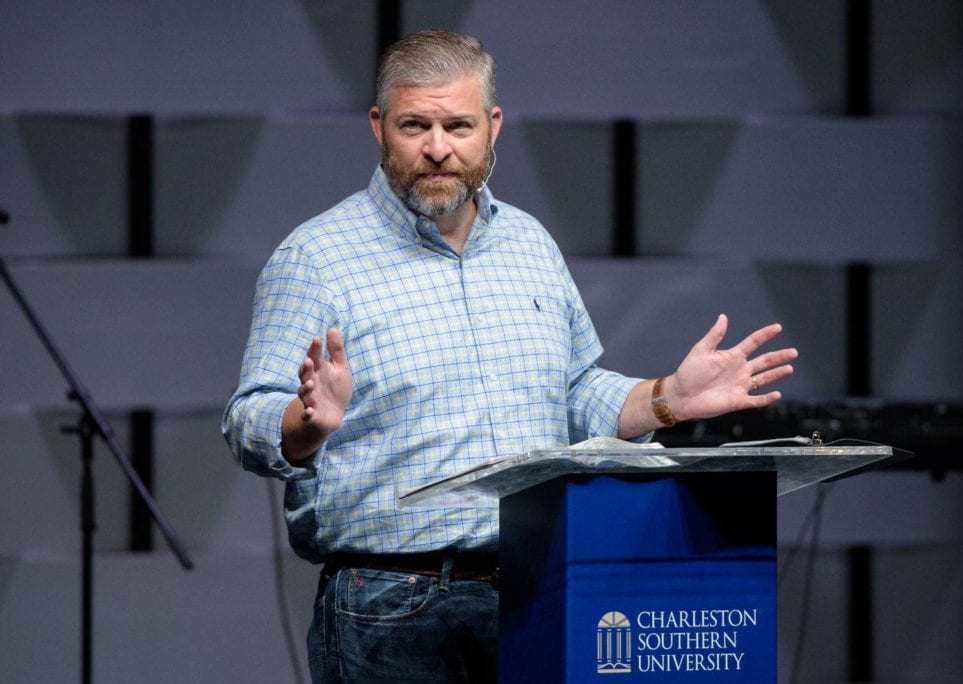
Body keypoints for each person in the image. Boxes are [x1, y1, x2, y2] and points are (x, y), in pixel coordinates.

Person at [222, 29, 798, 683]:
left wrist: (666, 397)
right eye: (415, 125)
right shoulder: (317, 257)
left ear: (492, 126)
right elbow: (248, 420)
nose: (438, 148)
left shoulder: (529, 244)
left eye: (458, 125)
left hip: (538, 588)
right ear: (379, 127)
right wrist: (305, 424)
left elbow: (574, 392)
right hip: (391, 608)